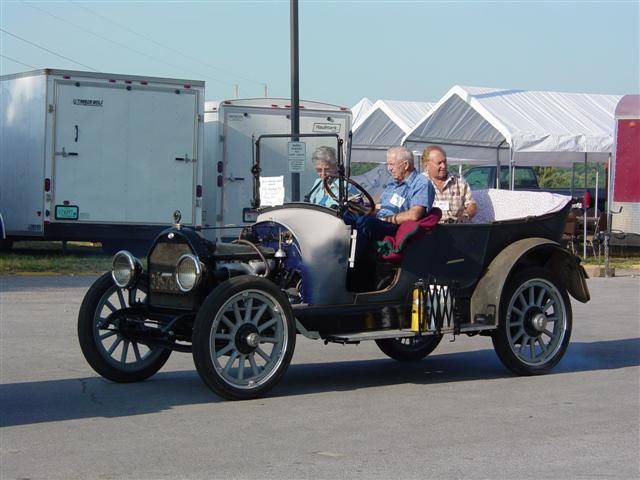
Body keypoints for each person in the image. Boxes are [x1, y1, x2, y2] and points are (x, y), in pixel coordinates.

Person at [377, 146, 435, 225]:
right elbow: (380, 206)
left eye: (392, 164)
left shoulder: (421, 183)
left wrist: (384, 219)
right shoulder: (392, 183)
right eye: (388, 165)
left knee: (367, 224)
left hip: (395, 227)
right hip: (381, 222)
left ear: (406, 165)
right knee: (357, 218)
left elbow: (414, 215)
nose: (389, 168)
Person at [422, 145, 477, 223]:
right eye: (439, 163)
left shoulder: (459, 180)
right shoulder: (420, 183)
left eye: (444, 161)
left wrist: (465, 216)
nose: (443, 166)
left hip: (456, 227)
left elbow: (472, 205)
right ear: (426, 165)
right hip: (431, 229)